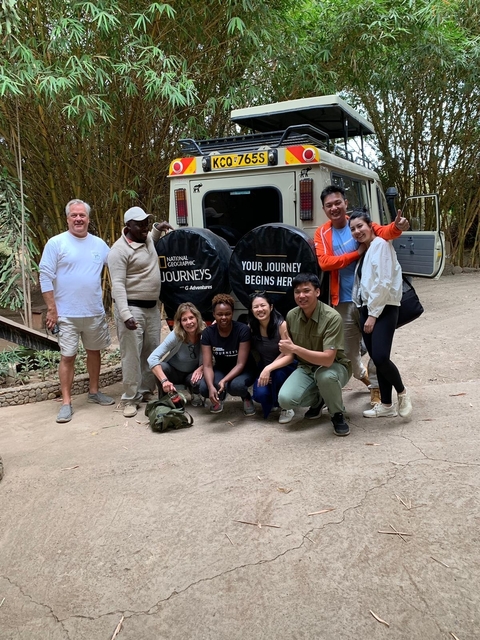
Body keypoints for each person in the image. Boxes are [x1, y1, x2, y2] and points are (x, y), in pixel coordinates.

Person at [314, 185, 409, 405]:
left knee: (377, 349)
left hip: (370, 300)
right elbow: (324, 263)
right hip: (344, 301)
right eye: (329, 205)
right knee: (349, 351)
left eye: (338, 202)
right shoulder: (323, 233)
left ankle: (377, 388)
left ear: (345, 203)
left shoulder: (357, 222)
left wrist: (398, 226)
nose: (334, 207)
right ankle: (363, 376)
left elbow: (385, 232)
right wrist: (356, 254)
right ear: (324, 209)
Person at [39, 199, 114, 423]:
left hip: (93, 311)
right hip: (66, 314)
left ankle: (93, 392)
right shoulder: (56, 243)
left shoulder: (100, 244)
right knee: (68, 356)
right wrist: (52, 310)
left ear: (88, 219)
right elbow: (45, 276)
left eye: (82, 215)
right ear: (67, 218)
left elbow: (118, 264)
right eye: (74, 215)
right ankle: (66, 402)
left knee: (94, 352)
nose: (78, 219)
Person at [108, 206, 172, 418]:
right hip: (132, 308)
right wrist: (125, 315)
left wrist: (156, 228)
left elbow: (150, 236)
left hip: (152, 308)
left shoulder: (147, 239)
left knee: (151, 352)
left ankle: (145, 392)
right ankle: (129, 398)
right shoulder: (118, 251)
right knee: (131, 356)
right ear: (128, 226)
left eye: (146, 222)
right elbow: (117, 285)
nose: (144, 227)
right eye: (140, 224)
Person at [349, 210, 413, 419]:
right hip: (367, 308)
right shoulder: (367, 250)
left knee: (381, 357)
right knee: (377, 358)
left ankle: (402, 393)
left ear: (370, 225)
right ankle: (386, 405)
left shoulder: (381, 245)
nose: (357, 231)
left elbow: (384, 283)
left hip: (383, 308)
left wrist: (373, 315)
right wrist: (363, 309)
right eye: (353, 229)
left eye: (360, 226)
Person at [277, 273, 352, 437]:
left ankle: (337, 414)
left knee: (326, 377)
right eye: (297, 292)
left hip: (335, 367)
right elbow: (287, 349)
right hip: (306, 368)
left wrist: (295, 349)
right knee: (285, 400)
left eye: (306, 291)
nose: (301, 296)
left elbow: (327, 359)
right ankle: (320, 399)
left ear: (317, 292)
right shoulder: (292, 315)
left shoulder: (332, 317)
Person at [199, 293, 256, 415]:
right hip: (221, 368)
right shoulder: (208, 333)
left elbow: (240, 364)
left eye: (227, 314)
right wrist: (210, 387)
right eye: (219, 314)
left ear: (233, 313)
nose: (223, 317)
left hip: (243, 369)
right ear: (214, 314)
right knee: (204, 388)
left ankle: (246, 396)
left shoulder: (242, 330)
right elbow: (208, 365)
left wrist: (224, 380)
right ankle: (219, 396)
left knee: (236, 386)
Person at [248, 292, 296, 423]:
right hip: (266, 367)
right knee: (260, 395)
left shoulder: (282, 325)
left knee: (278, 375)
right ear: (251, 310)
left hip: (285, 367)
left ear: (271, 306)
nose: (260, 309)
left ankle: (287, 407)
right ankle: (275, 400)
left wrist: (269, 369)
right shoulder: (252, 327)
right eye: (255, 307)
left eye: (263, 305)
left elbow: (290, 355)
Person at [147, 302, 205, 406]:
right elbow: (152, 358)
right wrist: (164, 380)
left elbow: (212, 355)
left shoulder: (204, 332)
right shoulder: (176, 335)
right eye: (184, 319)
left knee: (201, 380)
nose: (189, 322)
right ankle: (164, 398)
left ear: (197, 318)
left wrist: (202, 367)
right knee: (162, 367)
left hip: (193, 373)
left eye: (191, 318)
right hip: (174, 372)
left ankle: (195, 393)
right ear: (180, 322)